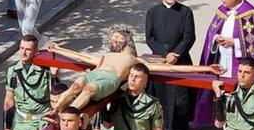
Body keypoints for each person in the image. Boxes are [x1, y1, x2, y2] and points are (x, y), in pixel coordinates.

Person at [47, 26, 221, 114]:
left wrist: (206, 68)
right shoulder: (105, 56)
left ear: (127, 41)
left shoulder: (134, 60)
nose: (115, 39)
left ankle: (71, 114)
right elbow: (80, 56)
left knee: (88, 90)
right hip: (96, 73)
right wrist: (57, 49)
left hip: (109, 79)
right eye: (113, 37)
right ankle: (55, 112)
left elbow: (171, 68)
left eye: (119, 37)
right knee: (77, 84)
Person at [145, 0, 197, 130]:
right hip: (160, 60)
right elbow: (150, 38)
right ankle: (167, 129)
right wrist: (165, 54)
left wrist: (175, 54)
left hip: (180, 59)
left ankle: (183, 128)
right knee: (163, 97)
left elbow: (189, 37)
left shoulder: (185, 12)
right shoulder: (152, 12)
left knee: (182, 97)